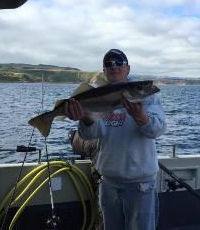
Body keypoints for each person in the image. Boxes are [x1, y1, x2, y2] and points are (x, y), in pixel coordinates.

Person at [64, 49, 166, 230]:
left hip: (140, 183)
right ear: (104, 71)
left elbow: (158, 129)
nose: (114, 66)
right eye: (108, 64)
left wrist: (141, 117)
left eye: (119, 62)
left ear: (128, 68)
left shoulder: (145, 95)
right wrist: (83, 117)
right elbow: (90, 134)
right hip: (108, 182)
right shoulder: (97, 96)